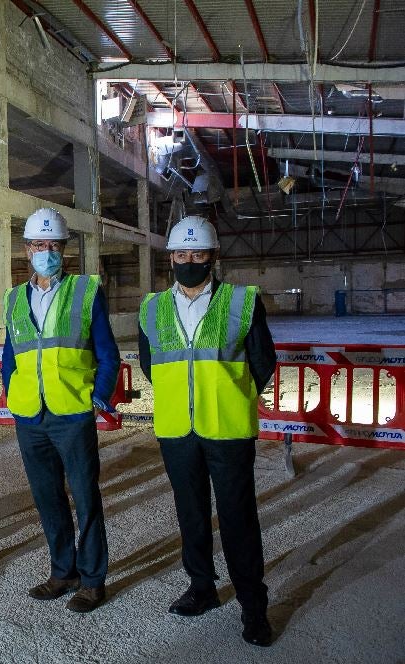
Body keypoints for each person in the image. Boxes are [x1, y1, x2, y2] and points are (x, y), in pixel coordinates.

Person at [137, 214, 276, 647]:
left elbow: (262, 363)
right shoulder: (152, 307)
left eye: (198, 254)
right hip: (177, 429)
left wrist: (228, 396)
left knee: (238, 518)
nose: (189, 260)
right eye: (181, 254)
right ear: (171, 258)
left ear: (213, 257)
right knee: (191, 514)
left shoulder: (242, 301)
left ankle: (254, 607)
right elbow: (150, 364)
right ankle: (202, 588)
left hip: (228, 428)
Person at [1, 208, 121, 613]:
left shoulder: (86, 292)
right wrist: (12, 392)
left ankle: (92, 579)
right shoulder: (15, 298)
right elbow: (9, 356)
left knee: (85, 497)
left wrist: (99, 395)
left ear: (65, 250)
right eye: (39, 244)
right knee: (47, 497)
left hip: (71, 412)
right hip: (30, 417)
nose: (46, 251)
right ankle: (62, 570)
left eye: (54, 245)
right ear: (26, 249)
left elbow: (108, 354)